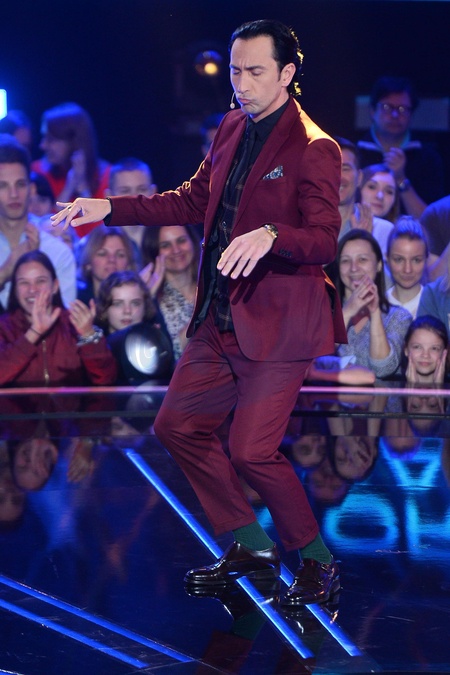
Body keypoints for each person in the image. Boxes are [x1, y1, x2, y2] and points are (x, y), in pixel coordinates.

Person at [52, 19, 347, 608]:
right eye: (236, 71)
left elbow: (323, 239)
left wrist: (272, 234)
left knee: (251, 450)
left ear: (287, 74)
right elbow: (191, 199)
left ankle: (318, 563)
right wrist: (108, 206)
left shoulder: (316, 147)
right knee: (177, 426)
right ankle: (251, 544)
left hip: (281, 322)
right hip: (220, 312)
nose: (241, 84)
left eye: (255, 72)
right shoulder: (233, 124)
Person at [0, 250, 117, 386]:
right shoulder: (4, 327)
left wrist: (88, 336)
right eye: (24, 282)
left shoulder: (74, 323)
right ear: (15, 289)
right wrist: (34, 333)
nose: (32, 290)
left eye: (40, 281)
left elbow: (106, 379)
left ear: (55, 286)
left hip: (70, 401)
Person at [0, 134, 76, 309]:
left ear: (31, 189)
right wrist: (6, 271)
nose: (13, 194)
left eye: (20, 184)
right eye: (3, 186)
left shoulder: (58, 252)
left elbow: (64, 322)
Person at [357, 76, 445, 219]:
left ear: (412, 114)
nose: (395, 114)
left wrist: (401, 179)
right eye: (387, 107)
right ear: (372, 111)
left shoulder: (428, 158)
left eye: (403, 109)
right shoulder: (355, 152)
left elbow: (433, 222)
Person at [333, 229, 412, 379]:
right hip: (329, 394)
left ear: (379, 265)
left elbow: (383, 368)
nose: (354, 268)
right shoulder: (324, 312)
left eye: (362, 259)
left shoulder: (399, 317)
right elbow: (314, 358)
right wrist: (347, 312)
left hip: (381, 395)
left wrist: (375, 312)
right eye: (345, 261)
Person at [96, 270, 174, 384]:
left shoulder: (155, 344)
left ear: (145, 308)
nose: (127, 311)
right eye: (118, 304)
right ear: (105, 309)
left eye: (135, 303)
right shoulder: (97, 347)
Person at [32, 102, 110, 208]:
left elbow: (99, 218)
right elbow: (45, 218)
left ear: (74, 142)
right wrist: (69, 186)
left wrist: (83, 188)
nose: (42, 145)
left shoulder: (107, 176)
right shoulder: (37, 172)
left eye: (51, 139)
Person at [141, 225, 200, 360]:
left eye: (181, 241)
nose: (176, 250)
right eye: (166, 245)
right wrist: (200, 314)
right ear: (154, 252)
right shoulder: (153, 300)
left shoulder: (212, 287)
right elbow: (166, 355)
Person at [334, 137, 394, 258]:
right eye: (331, 168)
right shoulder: (303, 224)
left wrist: (364, 243)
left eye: (345, 169)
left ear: (360, 177)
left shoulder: (383, 230)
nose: (339, 177)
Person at [105, 157, 157, 260]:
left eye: (142, 189)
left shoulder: (168, 238)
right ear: (108, 196)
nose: (134, 198)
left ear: (153, 192)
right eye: (125, 191)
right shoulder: (95, 244)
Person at [77, 225, 137, 304]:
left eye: (120, 255)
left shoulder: (139, 301)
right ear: (88, 263)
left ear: (129, 264)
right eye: (102, 254)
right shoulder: (75, 301)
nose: (112, 260)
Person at [385, 216, 428, 318]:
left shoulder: (436, 306)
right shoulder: (377, 306)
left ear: (426, 260)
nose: (407, 269)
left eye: (416, 260)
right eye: (399, 260)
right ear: (387, 259)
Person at [403, 315, 448, 385]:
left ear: (444, 353)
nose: (425, 355)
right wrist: (411, 387)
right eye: (417, 347)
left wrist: (438, 387)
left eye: (434, 348)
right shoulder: (390, 389)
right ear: (406, 349)